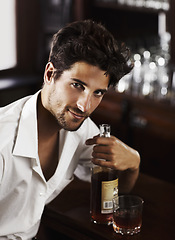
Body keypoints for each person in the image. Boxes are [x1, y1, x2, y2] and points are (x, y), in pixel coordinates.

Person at [0, 20, 140, 239]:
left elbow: (112, 195)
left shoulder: (80, 129)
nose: (85, 105)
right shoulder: (3, 141)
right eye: (77, 85)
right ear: (49, 74)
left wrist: (133, 162)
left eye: (98, 93)